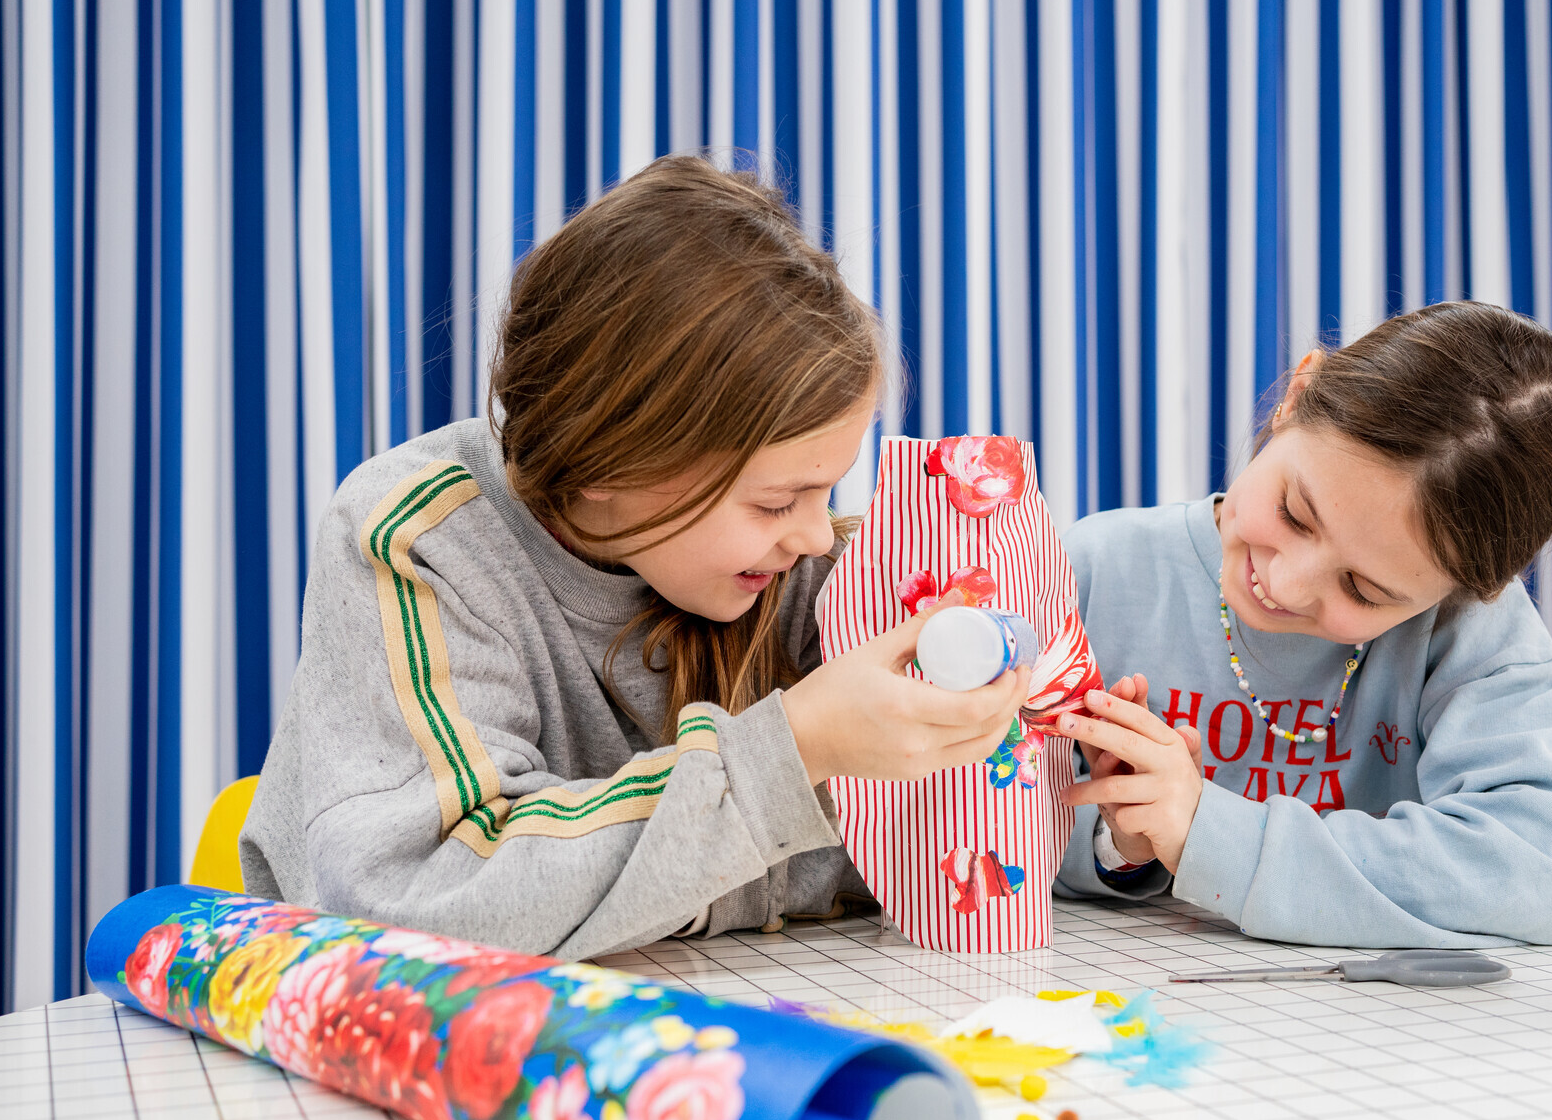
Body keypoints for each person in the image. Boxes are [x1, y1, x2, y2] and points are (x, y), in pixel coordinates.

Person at [241, 156, 1029, 957]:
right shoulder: (419, 541)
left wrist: (1084, 816)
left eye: (825, 491)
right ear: (607, 463)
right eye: (774, 502)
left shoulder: (801, 570)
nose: (817, 537)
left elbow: (940, 853)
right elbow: (427, 899)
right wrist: (794, 752)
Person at [1050, 302, 1552, 946]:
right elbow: (975, 821)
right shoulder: (1094, 568)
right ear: (1297, 393)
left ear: (1464, 590)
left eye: (1364, 591)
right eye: (1294, 513)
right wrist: (1121, 842)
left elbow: (1545, 873)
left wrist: (1209, 832)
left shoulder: (1467, 625)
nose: (1286, 586)